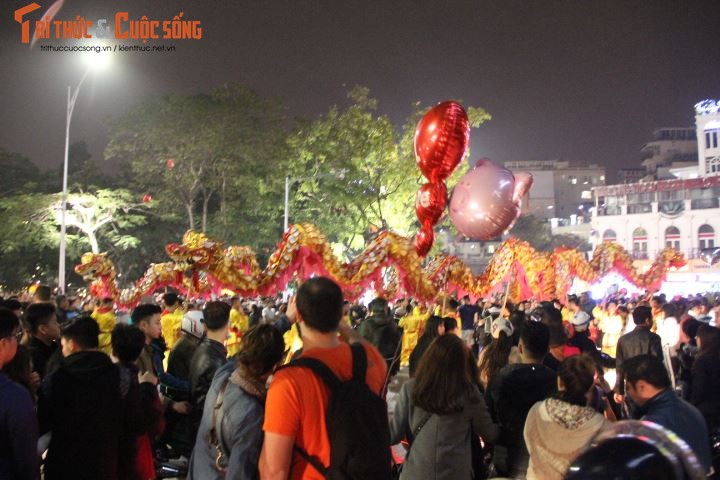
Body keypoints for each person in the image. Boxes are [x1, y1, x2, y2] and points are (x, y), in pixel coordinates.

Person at [259, 277, 388, 480]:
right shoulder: (371, 361)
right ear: (341, 314)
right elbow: (362, 345)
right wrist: (342, 325)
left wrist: (288, 319)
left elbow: (274, 470)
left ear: (299, 315)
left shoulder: (288, 382)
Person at [389, 335, 499, 480]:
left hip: (416, 473)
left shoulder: (411, 389)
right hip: (455, 473)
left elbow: (393, 435)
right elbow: (489, 433)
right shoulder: (469, 393)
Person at [189, 324, 285, 479]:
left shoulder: (223, 374)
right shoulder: (252, 415)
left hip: (199, 471)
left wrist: (285, 321)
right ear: (275, 366)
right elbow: (240, 474)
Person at [38, 316, 122, 479]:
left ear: (71, 344)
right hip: (105, 460)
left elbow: (44, 420)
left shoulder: (57, 378)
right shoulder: (117, 374)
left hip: (63, 461)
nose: (62, 350)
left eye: (63, 345)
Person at [486, 321, 557, 478]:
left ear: (520, 348)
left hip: (506, 457)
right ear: (547, 350)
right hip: (543, 460)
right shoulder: (556, 381)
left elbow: (489, 416)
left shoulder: (501, 378)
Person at [523, 355, 609, 480]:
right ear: (591, 385)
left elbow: (529, 443)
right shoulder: (600, 426)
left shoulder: (537, 410)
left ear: (560, 382)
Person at [623, 354, 712, 473]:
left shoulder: (650, 428)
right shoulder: (690, 409)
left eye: (628, 388)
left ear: (641, 386)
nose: (628, 393)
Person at [111, 324, 164, 480]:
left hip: (111, 451)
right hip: (137, 449)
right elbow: (155, 424)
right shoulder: (141, 382)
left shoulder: (105, 377)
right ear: (140, 350)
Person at [0, 307, 39, 480]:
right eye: (16, 336)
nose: (18, 341)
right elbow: (26, 461)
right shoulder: (14, 396)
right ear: (3, 343)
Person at [189, 301, 231, 438]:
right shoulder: (214, 359)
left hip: (199, 422)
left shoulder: (203, 348)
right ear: (228, 324)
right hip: (208, 429)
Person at [614, 306, 663, 405]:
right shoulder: (654, 338)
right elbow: (657, 362)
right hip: (649, 385)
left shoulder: (623, 340)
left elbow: (619, 366)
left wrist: (619, 391)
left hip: (631, 385)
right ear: (647, 320)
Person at [358, 297, 402, 378]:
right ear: (385, 309)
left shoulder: (366, 324)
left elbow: (359, 346)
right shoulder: (393, 324)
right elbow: (397, 348)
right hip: (388, 363)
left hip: (370, 365)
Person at [690, 323, 720, 432]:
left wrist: (691, 406)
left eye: (697, 337)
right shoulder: (716, 355)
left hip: (708, 410)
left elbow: (699, 390)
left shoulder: (702, 361)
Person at [23, 302, 61, 379]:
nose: (58, 325)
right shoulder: (34, 356)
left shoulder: (54, 346)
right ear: (43, 329)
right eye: (54, 322)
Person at [477, 317, 515, 390]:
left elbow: (481, 377)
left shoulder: (486, 352)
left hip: (489, 396)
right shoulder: (516, 352)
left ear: (492, 335)